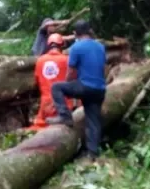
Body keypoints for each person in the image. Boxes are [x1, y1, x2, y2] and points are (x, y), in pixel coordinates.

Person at [46, 20, 107, 160]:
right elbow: (103, 68)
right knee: (93, 121)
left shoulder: (76, 47)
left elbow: (71, 72)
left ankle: (65, 117)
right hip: (100, 89)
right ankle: (93, 153)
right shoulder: (100, 46)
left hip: (85, 86)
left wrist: (68, 85)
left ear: (75, 34)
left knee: (57, 87)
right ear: (89, 31)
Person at [28, 33, 78, 131]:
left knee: (39, 126)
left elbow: (37, 81)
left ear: (48, 45)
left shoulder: (40, 60)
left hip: (46, 104)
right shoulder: (67, 60)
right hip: (64, 105)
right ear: (62, 45)